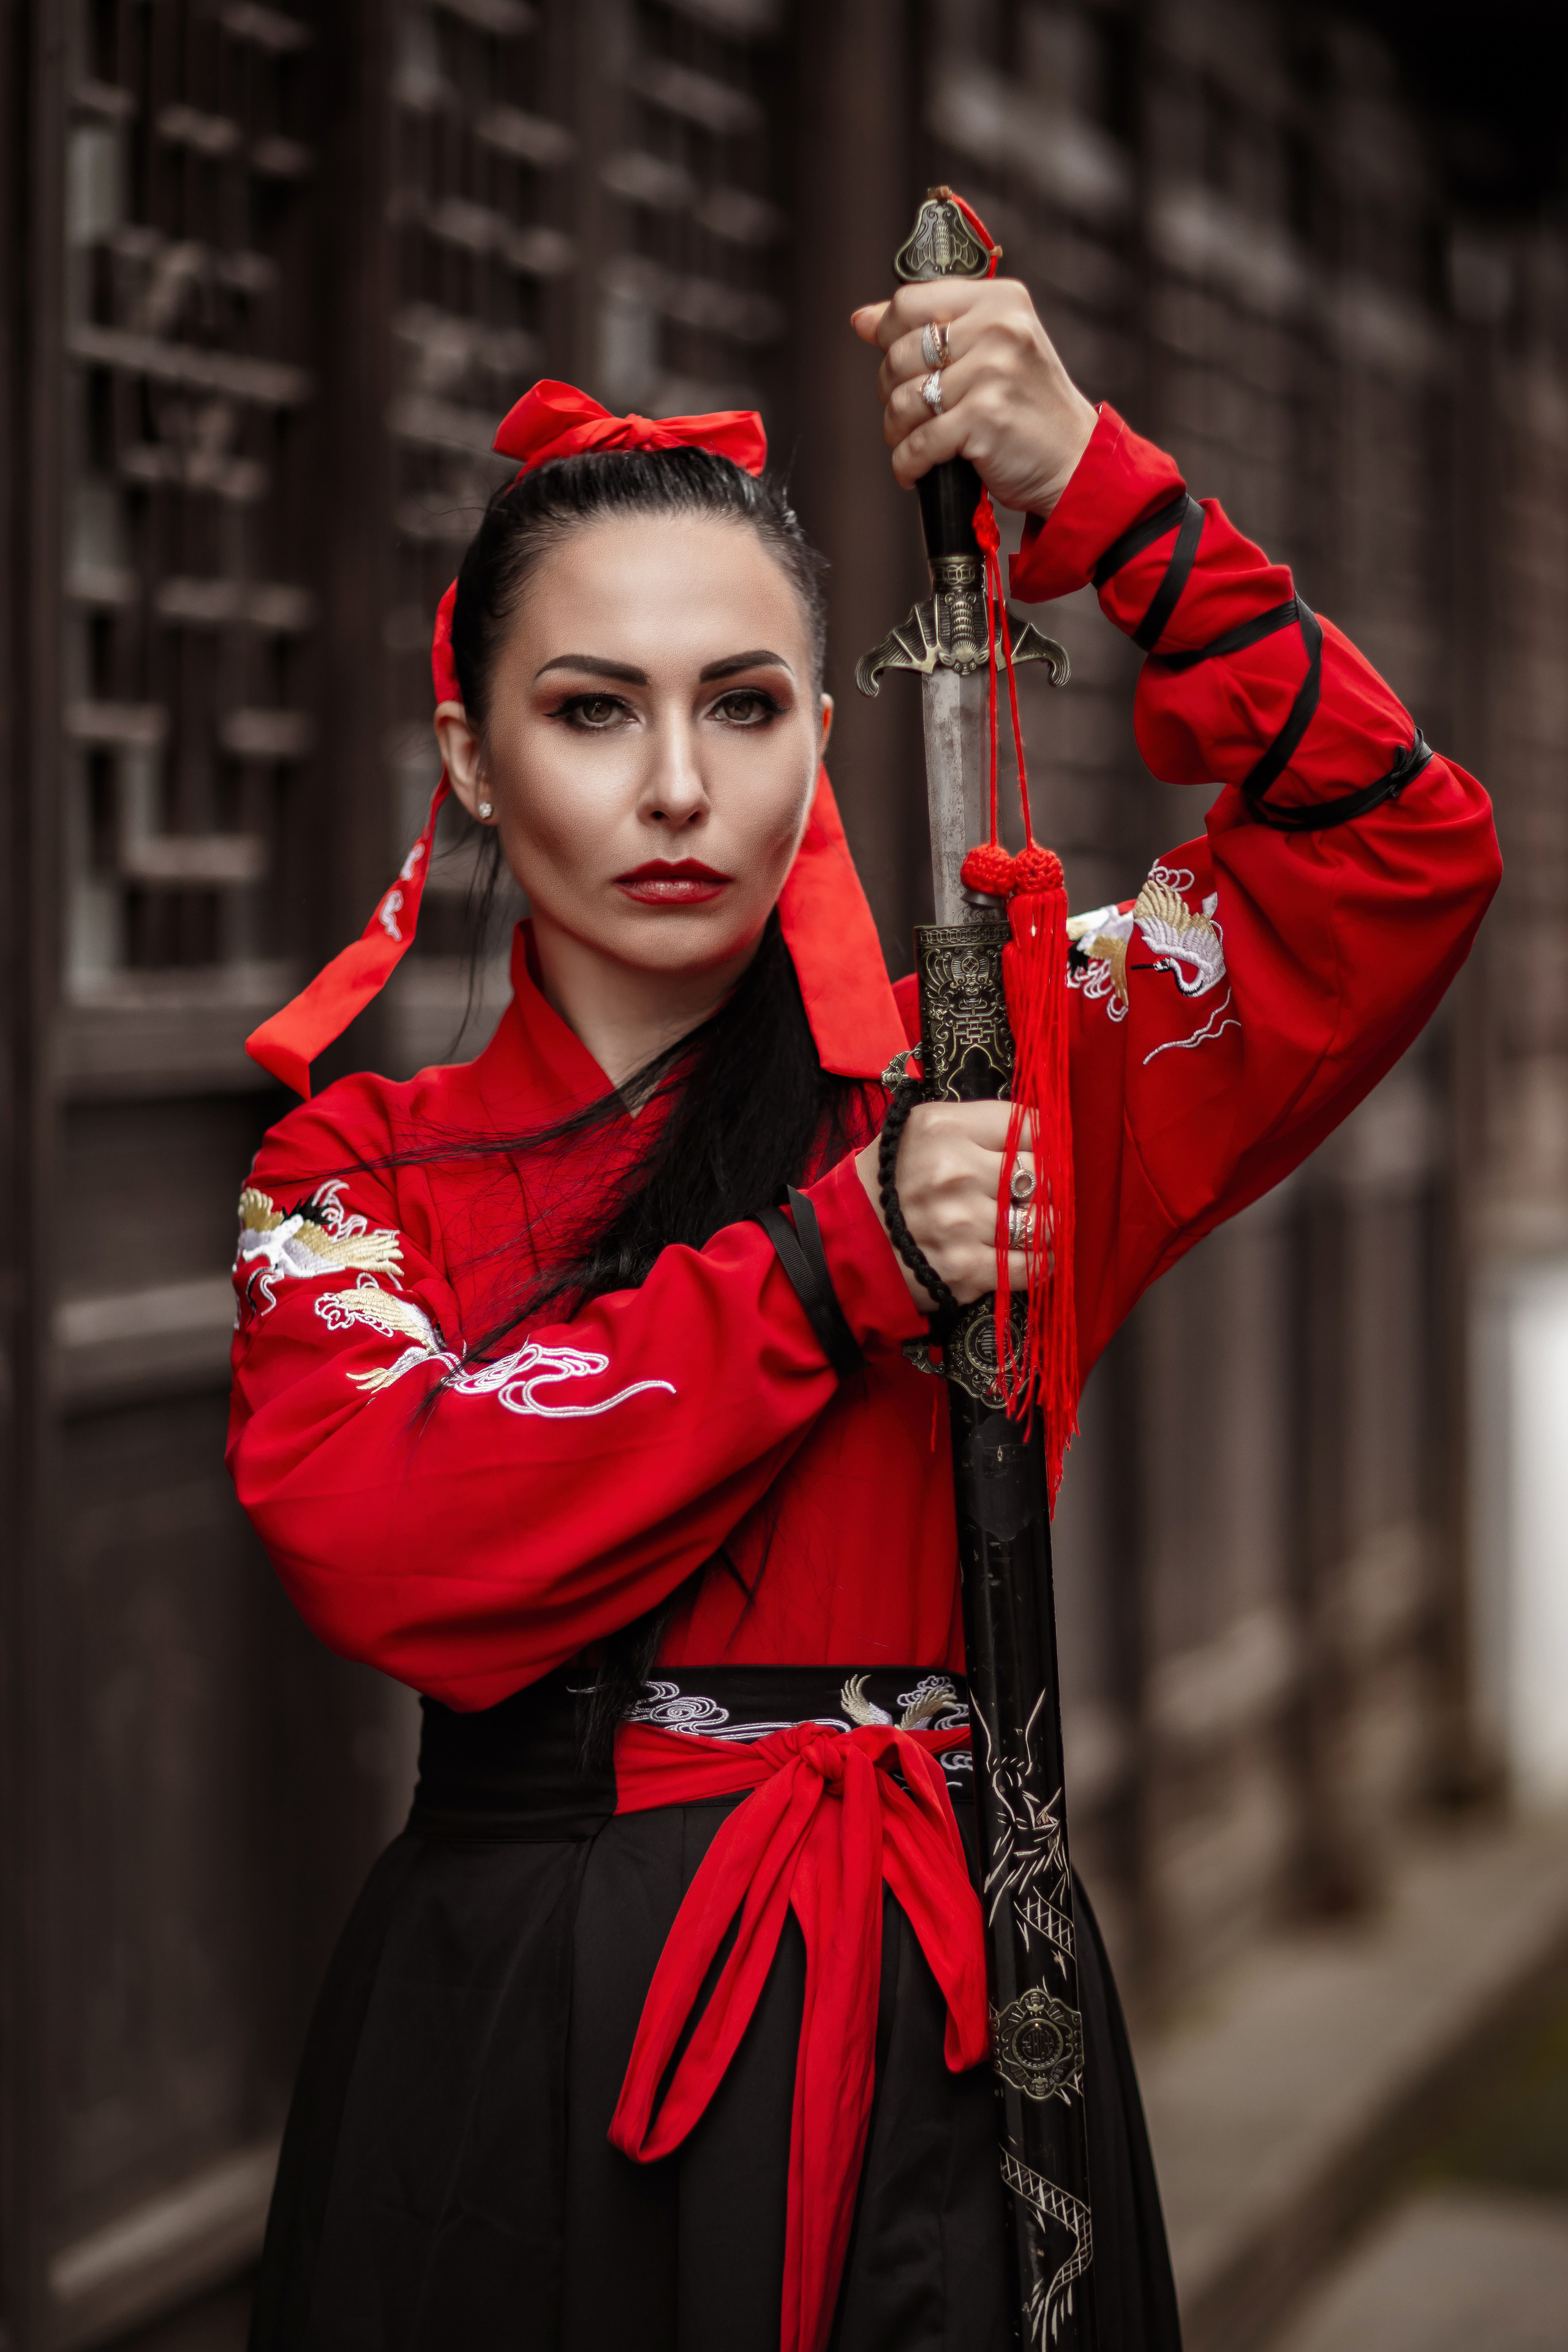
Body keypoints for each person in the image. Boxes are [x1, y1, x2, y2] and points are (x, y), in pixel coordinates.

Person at [228, 274, 1501, 2352]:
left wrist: (1101, 488)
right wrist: (842, 1267)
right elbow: (391, 1530)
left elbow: (1394, 857)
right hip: (531, 2044)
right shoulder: (356, 1178)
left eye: (742, 705)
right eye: (590, 709)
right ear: (468, 755)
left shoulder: (989, 1079)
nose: (673, 787)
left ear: (824, 734)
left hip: (952, 2027)